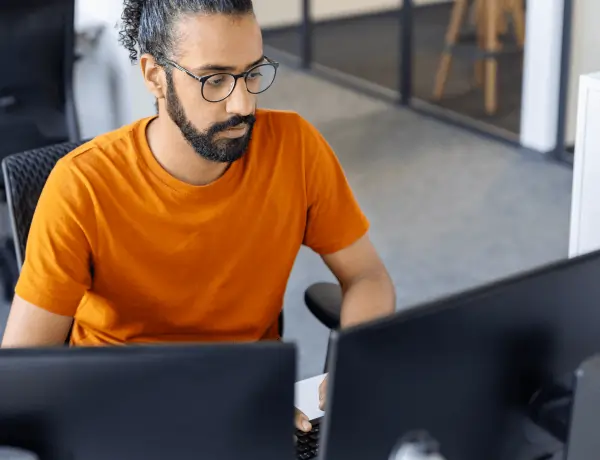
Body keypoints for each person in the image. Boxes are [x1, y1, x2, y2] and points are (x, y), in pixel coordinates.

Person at [1, 0, 395, 433]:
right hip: (123, 411)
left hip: (253, 403)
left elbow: (367, 276)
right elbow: (21, 374)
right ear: (155, 76)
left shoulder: (296, 148)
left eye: (252, 73)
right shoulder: (82, 186)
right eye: (215, 79)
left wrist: (350, 369)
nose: (242, 104)